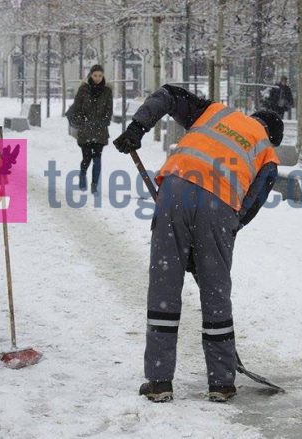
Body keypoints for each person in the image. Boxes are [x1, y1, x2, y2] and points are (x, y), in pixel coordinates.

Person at [113, 84, 283, 402]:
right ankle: (221, 383)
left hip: (174, 190)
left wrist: (138, 126)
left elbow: (167, 94)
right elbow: (252, 203)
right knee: (215, 291)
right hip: (219, 206)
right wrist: (220, 235)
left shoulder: (215, 112)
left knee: (164, 287)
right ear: (272, 136)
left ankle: (160, 381)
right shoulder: (268, 154)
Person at [65, 64, 113, 193]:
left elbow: (109, 110)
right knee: (87, 157)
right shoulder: (83, 90)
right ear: (91, 75)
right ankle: (82, 177)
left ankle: (94, 185)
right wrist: (83, 122)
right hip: (85, 130)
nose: (97, 78)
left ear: (103, 76)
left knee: (97, 158)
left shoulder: (107, 91)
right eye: (95, 75)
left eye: (100, 75)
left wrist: (103, 122)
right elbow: (76, 109)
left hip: (100, 131)